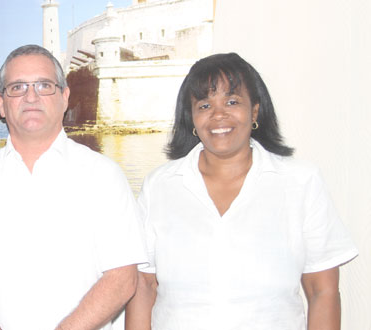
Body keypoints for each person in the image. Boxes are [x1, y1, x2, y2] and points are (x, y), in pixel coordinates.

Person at [125, 53, 358, 330]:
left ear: (255, 111)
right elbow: (144, 285)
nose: (218, 114)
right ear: (192, 118)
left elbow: (323, 290)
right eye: (204, 105)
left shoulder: (300, 182)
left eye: (232, 101)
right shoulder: (160, 186)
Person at [0, 44, 147, 330]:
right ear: (1, 102)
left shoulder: (104, 176)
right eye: (17, 87)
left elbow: (122, 278)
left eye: (44, 85)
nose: (31, 96)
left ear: (65, 97)